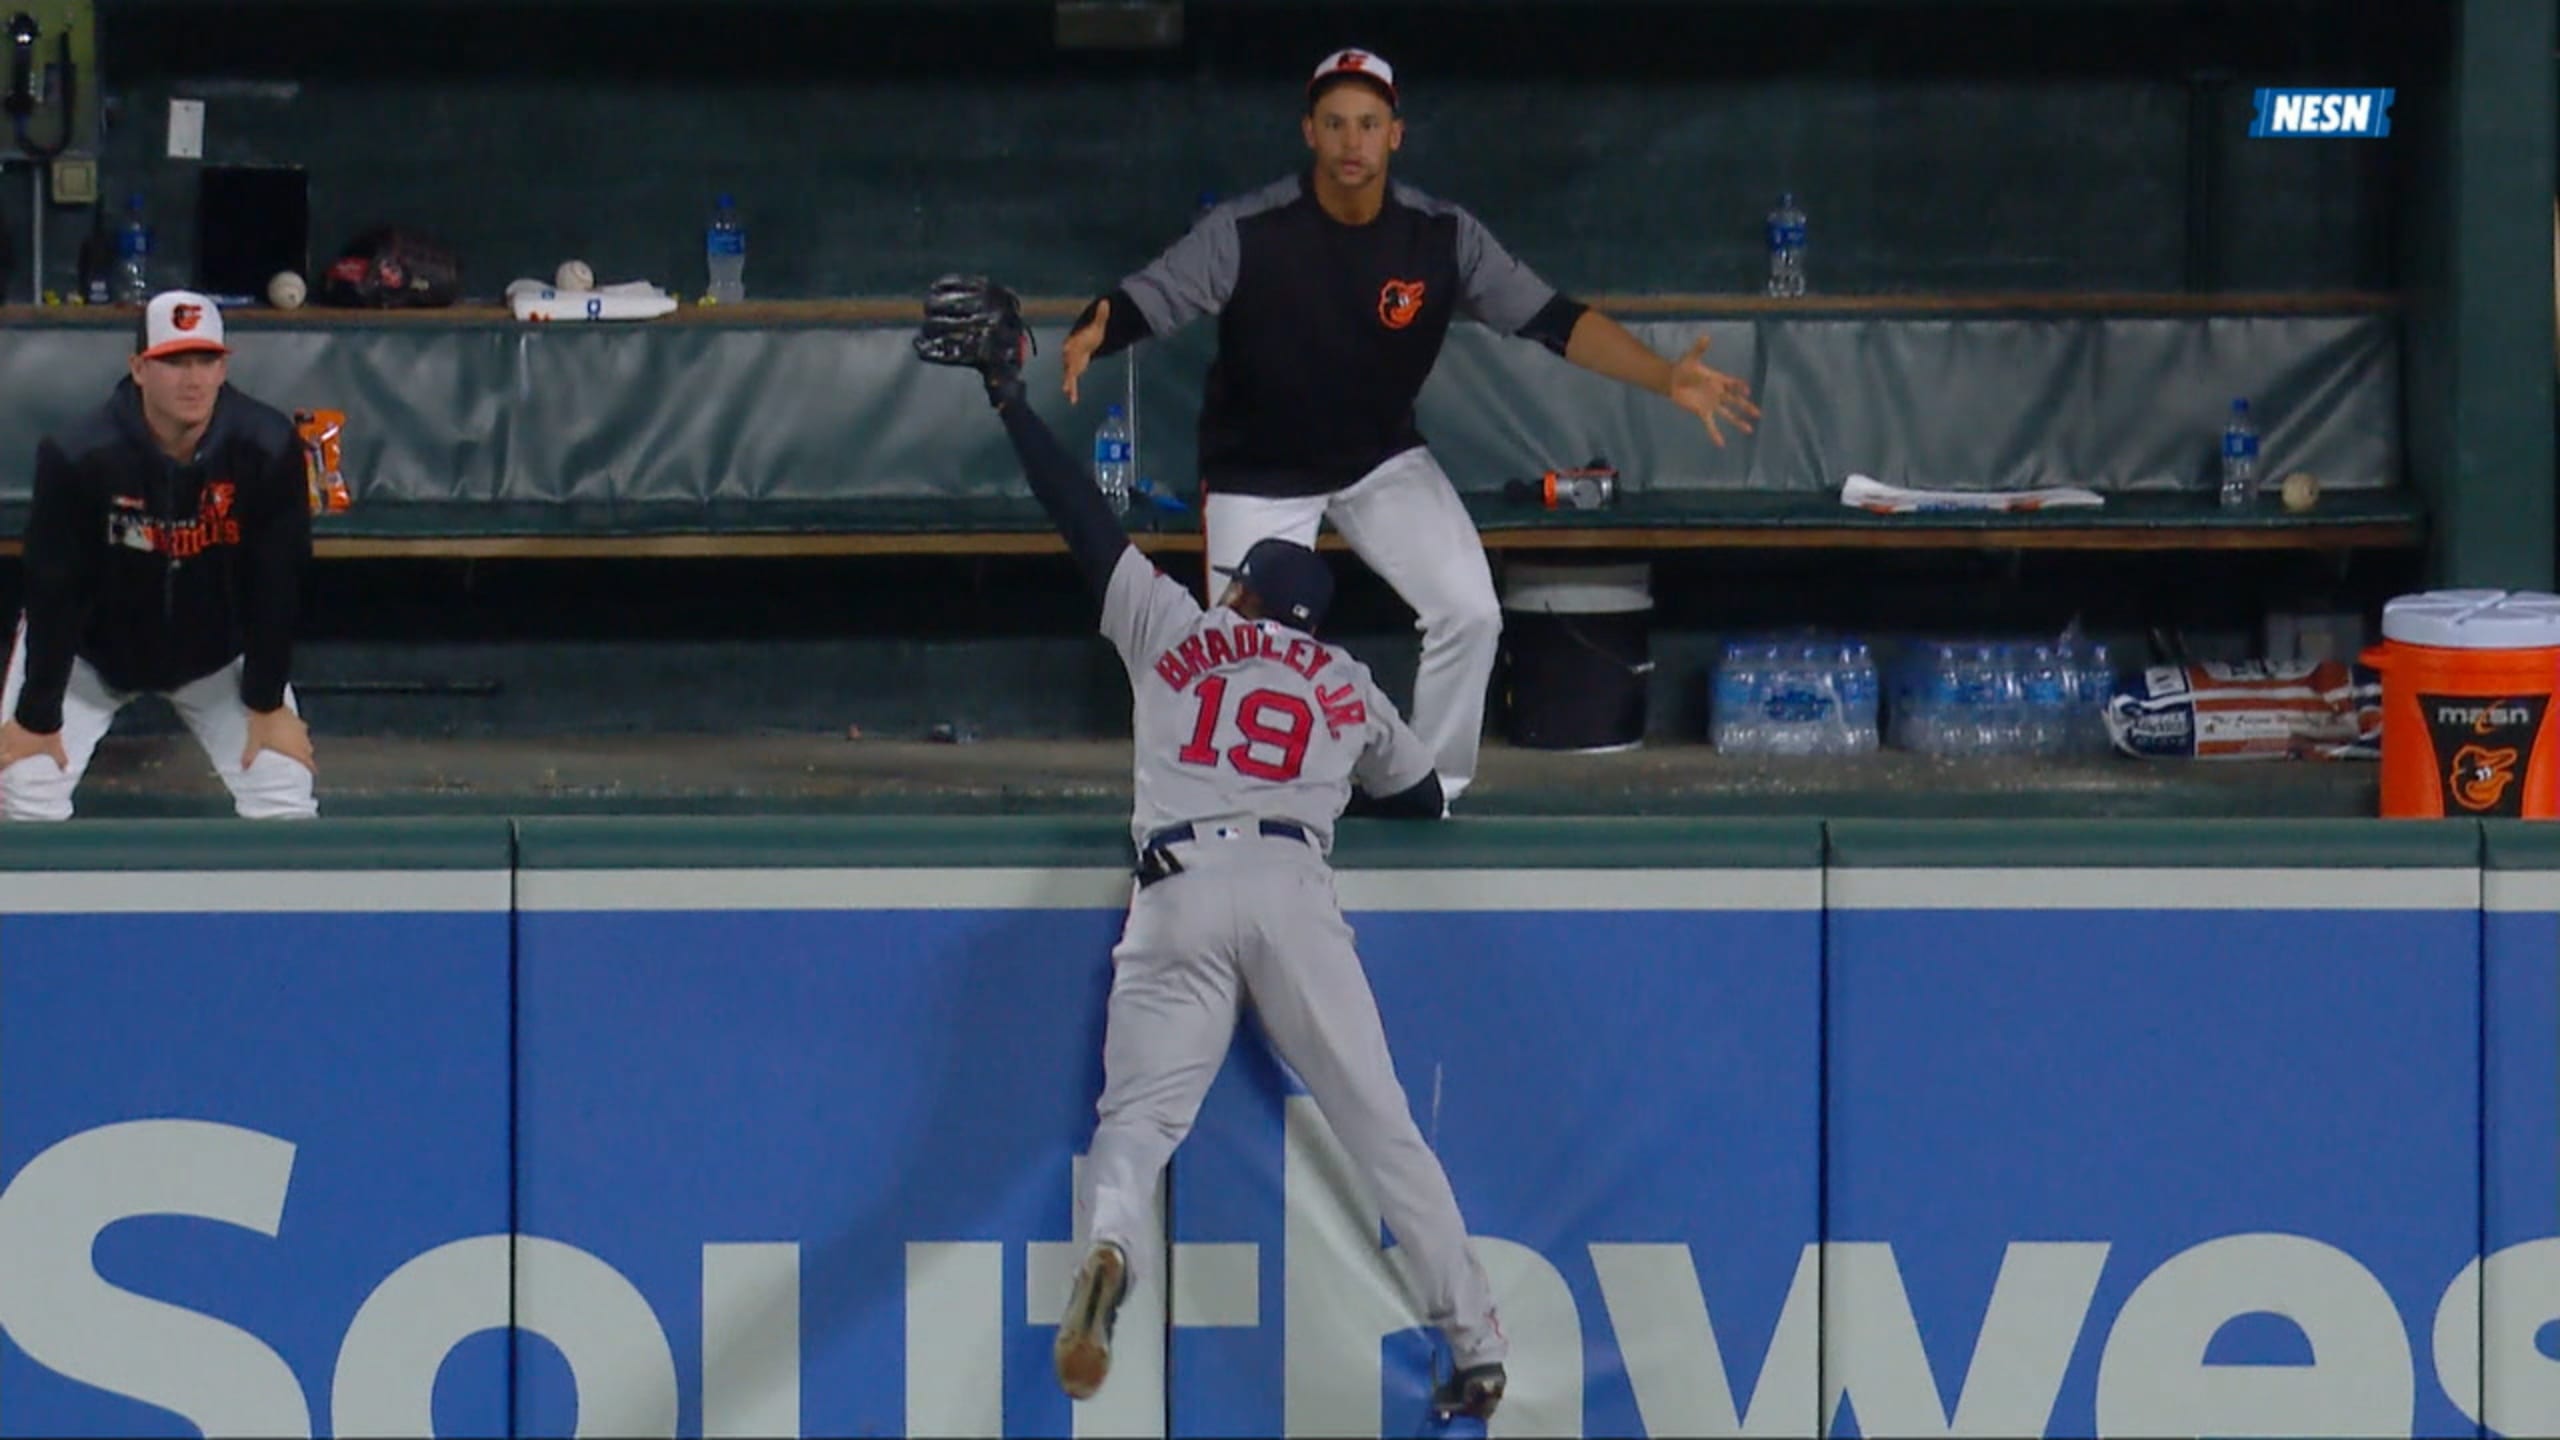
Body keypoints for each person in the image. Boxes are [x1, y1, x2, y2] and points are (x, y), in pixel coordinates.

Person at [916, 274, 1511, 1422]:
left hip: (1178, 882)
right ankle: (1474, 1344)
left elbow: (1083, 528)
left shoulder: (1177, 627)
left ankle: (1110, 1252)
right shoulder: (1342, 680)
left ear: (1238, 591)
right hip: (1292, 878)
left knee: (1134, 1125)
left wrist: (1010, 401)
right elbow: (1424, 792)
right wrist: (1326, 792)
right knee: (1380, 1125)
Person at [1058, 47, 1759, 805]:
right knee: (1247, 657)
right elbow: (1152, 296)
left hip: (1379, 460)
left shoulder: (1443, 237)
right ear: (1309, 133)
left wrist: (1665, 376)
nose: (1351, 141)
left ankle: (1432, 792)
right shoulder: (1250, 230)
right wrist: (1094, 331)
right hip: (1257, 474)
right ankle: (1268, 809)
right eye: (1335, 124)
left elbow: (1553, 319)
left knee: (1470, 611)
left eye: (1368, 123)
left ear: (1396, 134)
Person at [0, 290, 318, 821]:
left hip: (214, 657)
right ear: (139, 369)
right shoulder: (79, 453)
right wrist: (37, 716)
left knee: (283, 784)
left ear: (223, 367)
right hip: (90, 655)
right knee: (24, 787)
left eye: (205, 360)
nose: (192, 379)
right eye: (173, 362)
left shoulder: (266, 445)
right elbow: (55, 587)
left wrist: (266, 705)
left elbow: (276, 583)